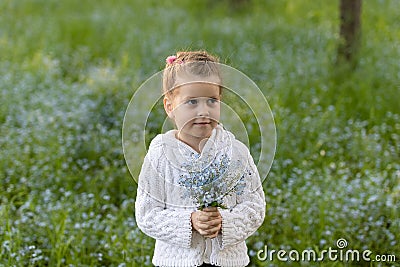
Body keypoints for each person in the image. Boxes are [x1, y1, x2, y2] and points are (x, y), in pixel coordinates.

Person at [135, 50, 266, 267]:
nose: (203, 110)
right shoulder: (160, 154)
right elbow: (147, 214)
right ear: (170, 106)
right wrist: (190, 221)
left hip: (227, 262)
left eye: (212, 101)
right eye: (192, 102)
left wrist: (225, 222)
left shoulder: (236, 152)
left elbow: (255, 206)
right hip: (176, 262)